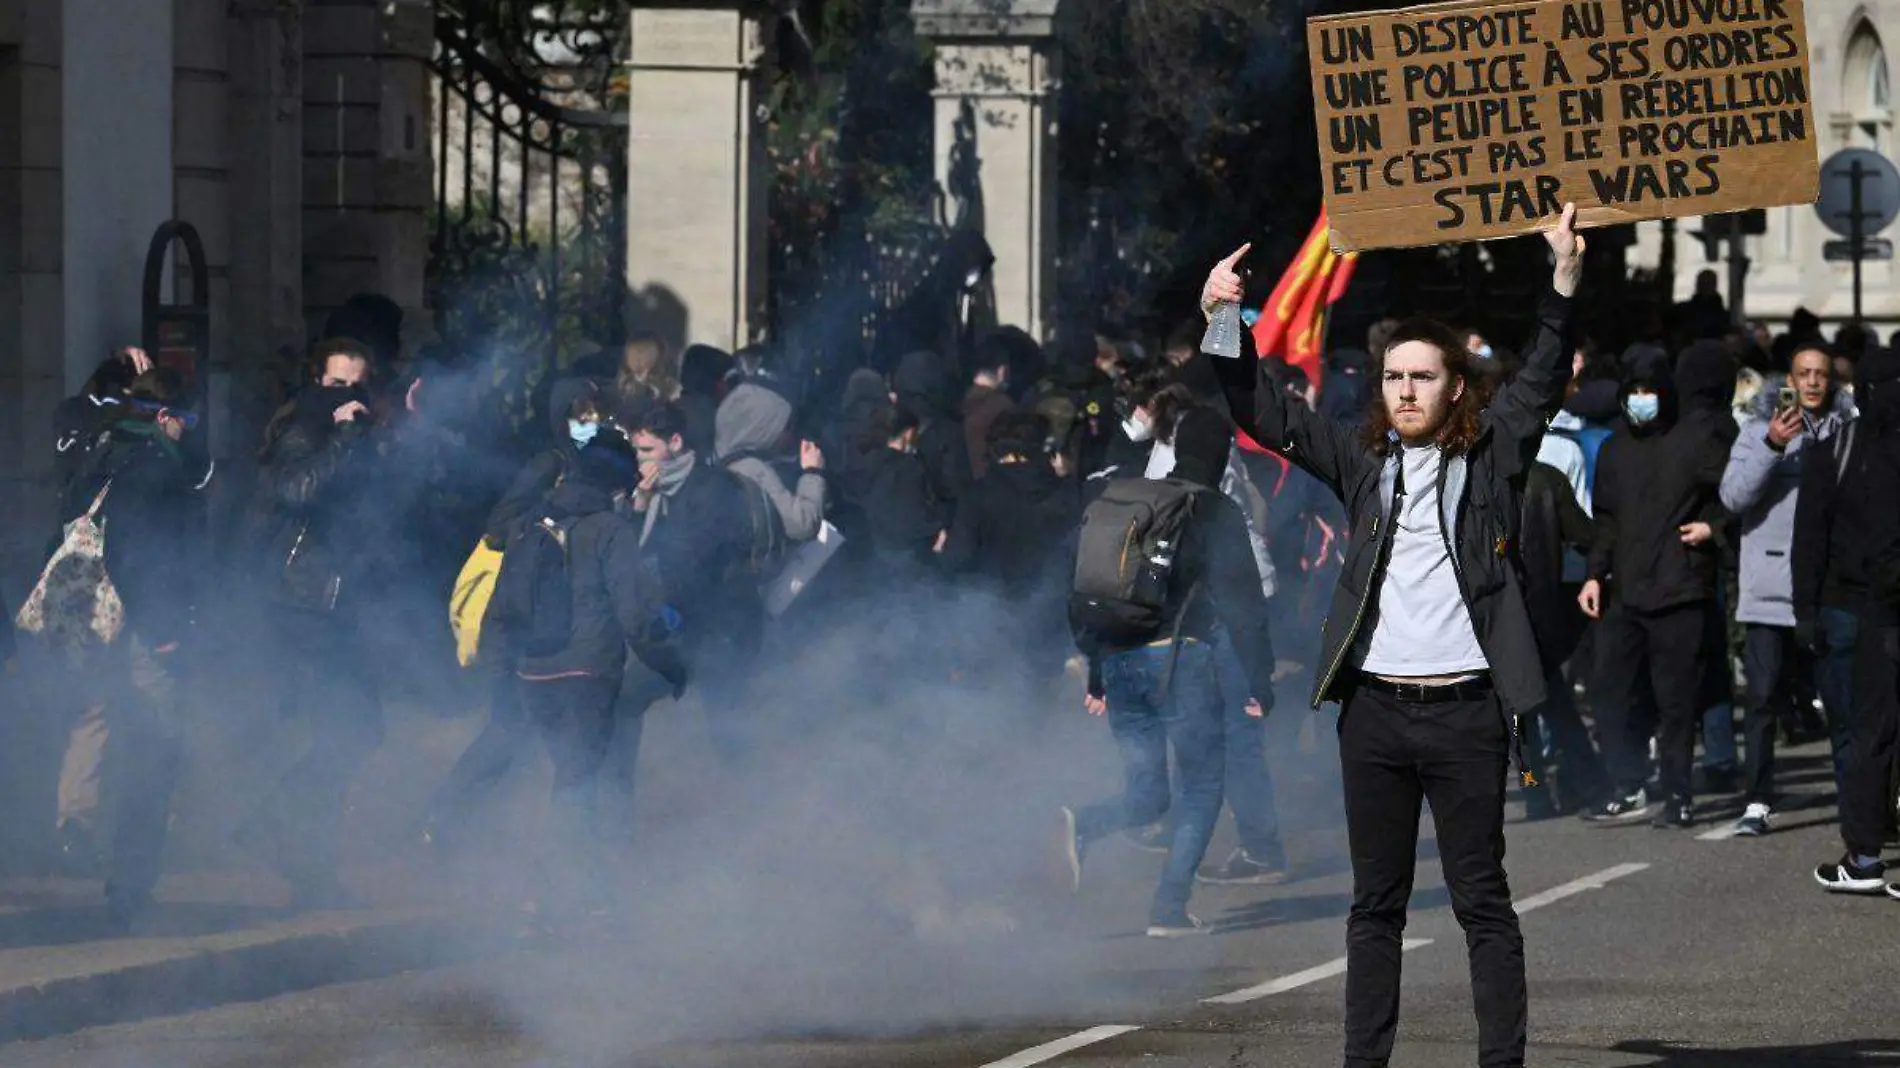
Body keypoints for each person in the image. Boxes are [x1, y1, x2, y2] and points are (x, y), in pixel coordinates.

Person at [1205, 204, 1585, 1068]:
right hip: (1374, 716)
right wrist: (1224, 317)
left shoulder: (1491, 458)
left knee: (1480, 899)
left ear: (1456, 387)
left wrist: (1563, 278)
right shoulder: (1359, 461)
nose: (1405, 391)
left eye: (1422, 377)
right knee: (1374, 905)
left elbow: (1543, 374)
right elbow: (1262, 412)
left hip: (1466, 714)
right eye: (1392, 378)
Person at [1061, 406, 1278, 936]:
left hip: (1118, 658)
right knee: (1203, 785)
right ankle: (1169, 908)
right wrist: (1260, 679)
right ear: (1224, 454)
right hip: (1179, 661)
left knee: (1150, 793)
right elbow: (1244, 605)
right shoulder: (1214, 510)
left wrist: (1095, 671)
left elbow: (1088, 587)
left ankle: (1084, 825)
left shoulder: (1138, 501)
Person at [239, 338, 389, 909]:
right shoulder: (307, 427)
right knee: (345, 728)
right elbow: (297, 490)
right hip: (300, 601)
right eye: (336, 385)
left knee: (354, 730)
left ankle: (296, 847)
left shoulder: (351, 433)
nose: (347, 396)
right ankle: (295, 849)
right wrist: (349, 437)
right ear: (315, 382)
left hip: (334, 601)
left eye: (356, 385)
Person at [1576, 344, 1733, 829]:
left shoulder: (1696, 440)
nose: (1641, 400)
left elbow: (1738, 490)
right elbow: (1606, 520)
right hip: (1624, 591)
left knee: (1677, 702)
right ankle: (1626, 784)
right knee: (1611, 693)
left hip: (1680, 591)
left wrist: (1714, 529)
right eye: (1633, 392)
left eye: (1649, 391)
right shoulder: (1616, 449)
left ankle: (1678, 793)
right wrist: (1594, 574)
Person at [1718, 344, 1850, 836]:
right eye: (1803, 374)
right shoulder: (1756, 431)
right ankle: (1757, 798)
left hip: (1828, 590)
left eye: (1820, 375)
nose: (1813, 383)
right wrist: (1774, 445)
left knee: (1839, 699)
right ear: (1788, 380)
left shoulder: (1846, 434)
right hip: (1769, 590)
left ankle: (1853, 799)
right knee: (1762, 700)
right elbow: (1733, 496)